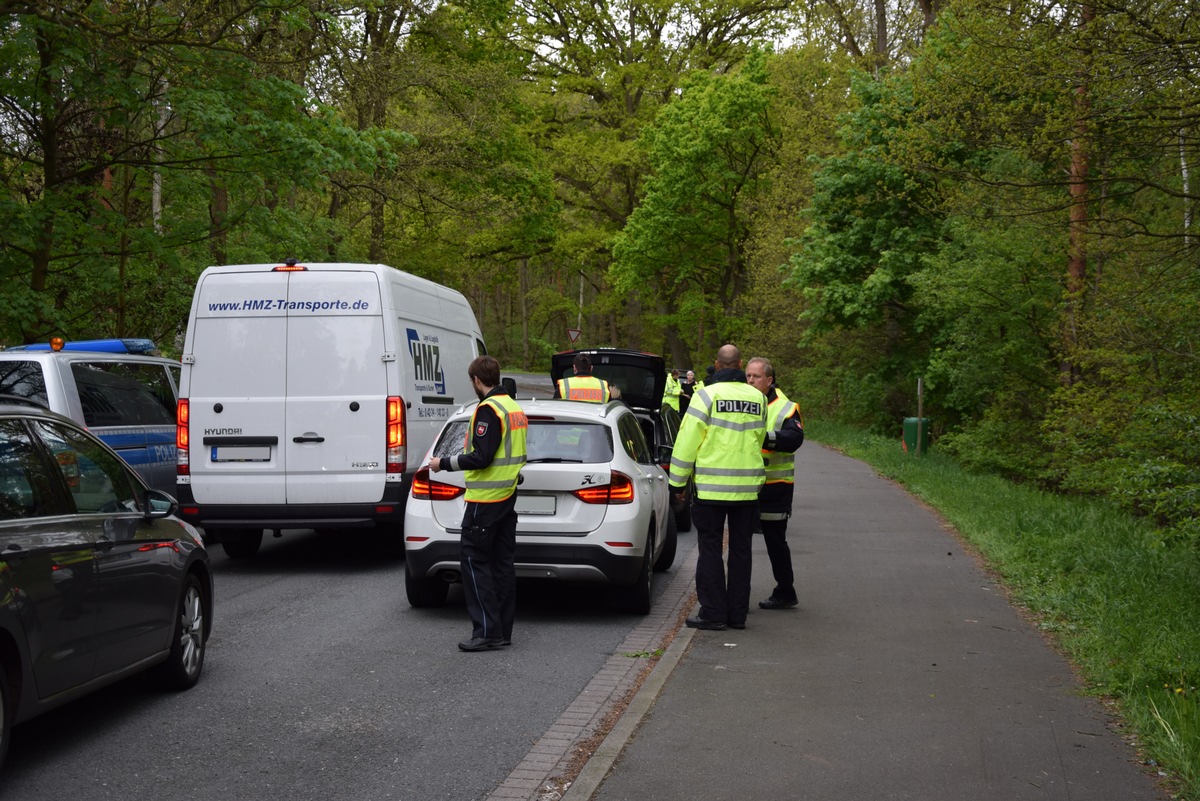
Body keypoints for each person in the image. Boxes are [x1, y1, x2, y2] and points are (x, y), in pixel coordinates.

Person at [428, 355, 528, 651]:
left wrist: (442, 462)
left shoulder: (488, 410)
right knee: (501, 565)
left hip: (484, 500)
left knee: (473, 564)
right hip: (506, 497)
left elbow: (481, 457)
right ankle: (502, 631)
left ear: (476, 380)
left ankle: (486, 631)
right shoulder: (513, 406)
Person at [668, 344, 767, 630]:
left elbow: (687, 443)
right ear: (740, 364)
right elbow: (757, 439)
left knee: (710, 549)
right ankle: (737, 615)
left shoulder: (705, 396)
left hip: (711, 489)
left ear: (717, 364)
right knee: (741, 551)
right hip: (747, 489)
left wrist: (677, 482)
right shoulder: (758, 398)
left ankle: (713, 613)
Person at [745, 357, 805, 609]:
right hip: (745, 484)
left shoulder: (787, 407)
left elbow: (794, 438)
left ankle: (785, 590)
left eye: (755, 377)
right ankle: (738, 595)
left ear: (769, 380)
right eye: (747, 376)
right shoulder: (742, 402)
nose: (750, 381)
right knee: (739, 542)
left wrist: (764, 438)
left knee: (775, 541)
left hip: (775, 485)